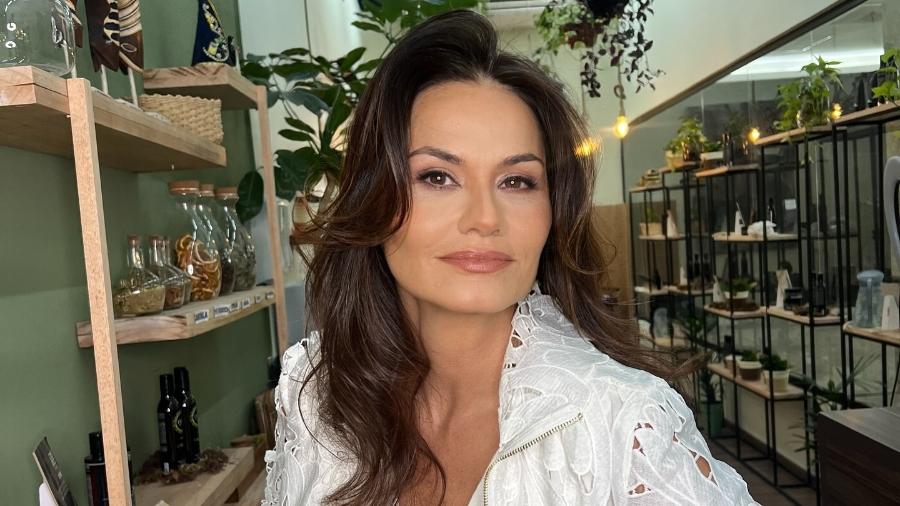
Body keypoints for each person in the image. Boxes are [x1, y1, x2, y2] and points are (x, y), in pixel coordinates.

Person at [263, 9, 757, 506]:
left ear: (553, 212)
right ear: (374, 198)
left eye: (516, 181)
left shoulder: (625, 430)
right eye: (437, 176)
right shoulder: (316, 394)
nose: (485, 218)